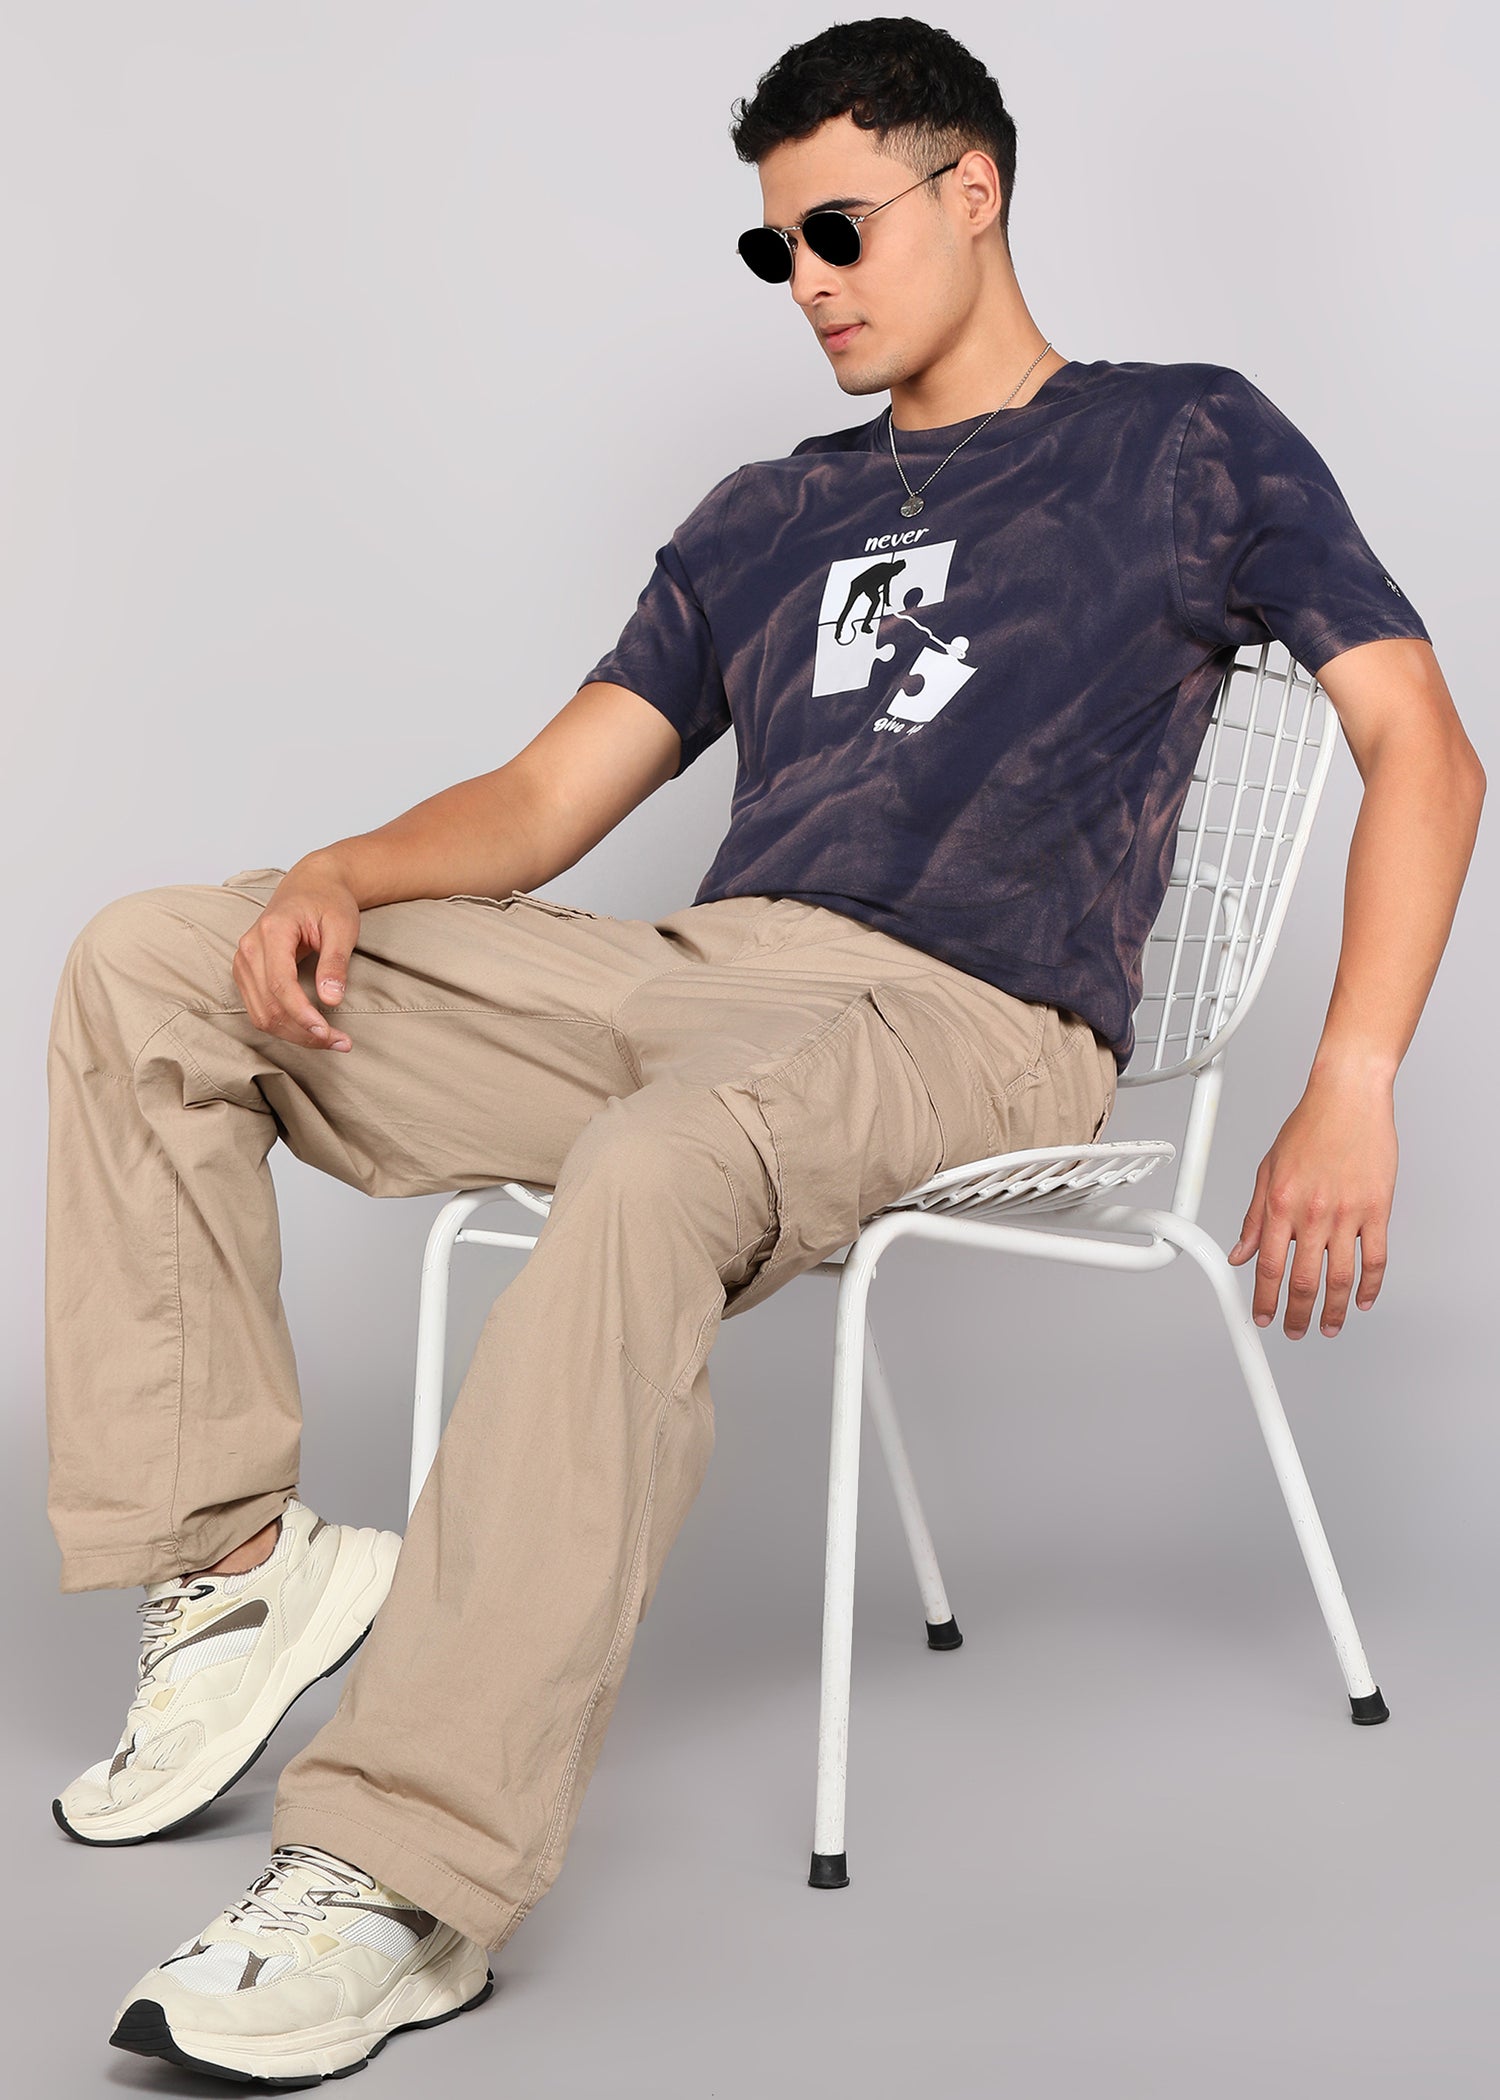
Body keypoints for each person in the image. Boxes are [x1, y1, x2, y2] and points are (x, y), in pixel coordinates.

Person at [44, 17, 1483, 2088]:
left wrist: (1350, 1080)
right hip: (694, 974)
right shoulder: (765, 513)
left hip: (968, 1017)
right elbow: (548, 802)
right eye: (771, 248)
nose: (805, 280)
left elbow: (1421, 741)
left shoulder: (1181, 440)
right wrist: (336, 870)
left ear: (972, 189)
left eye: (836, 230)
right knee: (153, 961)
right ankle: (239, 1573)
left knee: (651, 1168)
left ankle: (398, 1874)